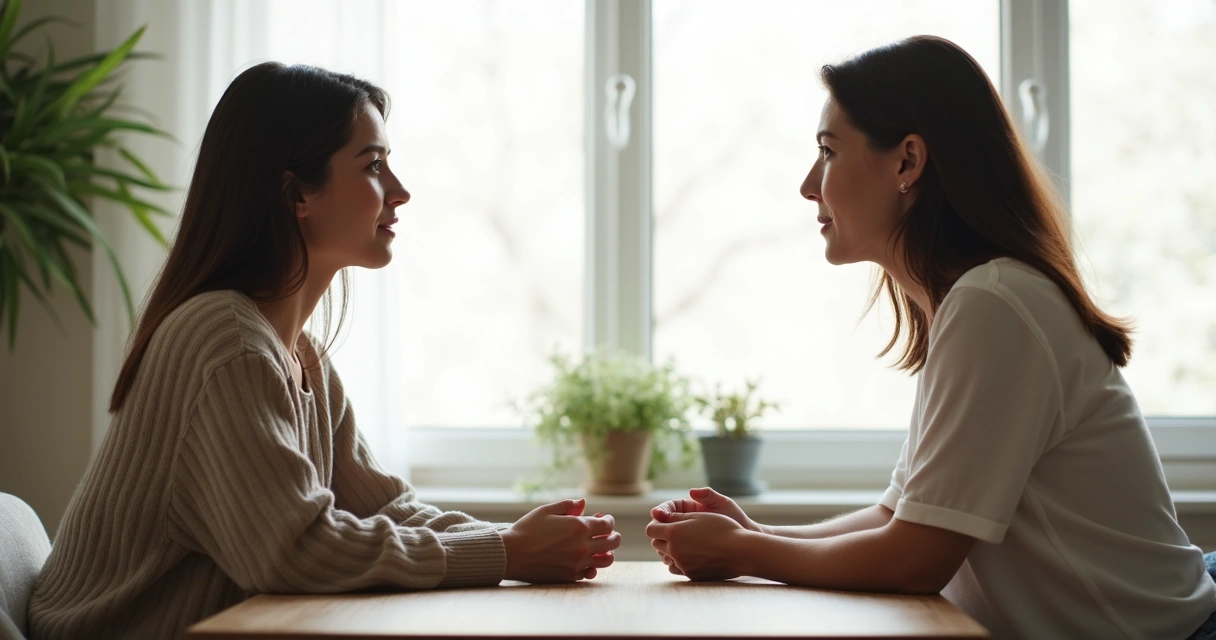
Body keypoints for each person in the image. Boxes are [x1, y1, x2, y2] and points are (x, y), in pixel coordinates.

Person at [645, 36, 1216, 640]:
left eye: (828, 152)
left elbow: (916, 558)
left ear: (907, 162)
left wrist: (744, 553)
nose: (809, 185)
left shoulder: (995, 303)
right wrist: (755, 536)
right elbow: (898, 517)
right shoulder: (973, 302)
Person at [29, 62, 620, 639]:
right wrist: (505, 553)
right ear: (296, 195)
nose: (400, 191)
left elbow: (387, 509)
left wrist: (516, 539)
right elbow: (295, 551)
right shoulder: (225, 341)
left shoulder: (299, 355)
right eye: (374, 165)